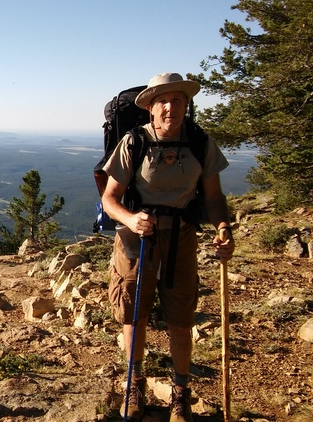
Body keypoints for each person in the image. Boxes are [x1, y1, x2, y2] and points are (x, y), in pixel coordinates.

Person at [101, 72, 235, 422]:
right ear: (150, 107)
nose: (170, 107)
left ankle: (180, 392)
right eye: (162, 101)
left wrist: (223, 228)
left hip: (181, 236)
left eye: (177, 100)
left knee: (180, 317)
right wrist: (130, 220)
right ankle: (135, 384)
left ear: (186, 105)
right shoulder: (134, 143)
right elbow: (110, 199)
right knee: (134, 313)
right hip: (137, 239)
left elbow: (214, 198)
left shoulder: (199, 143)